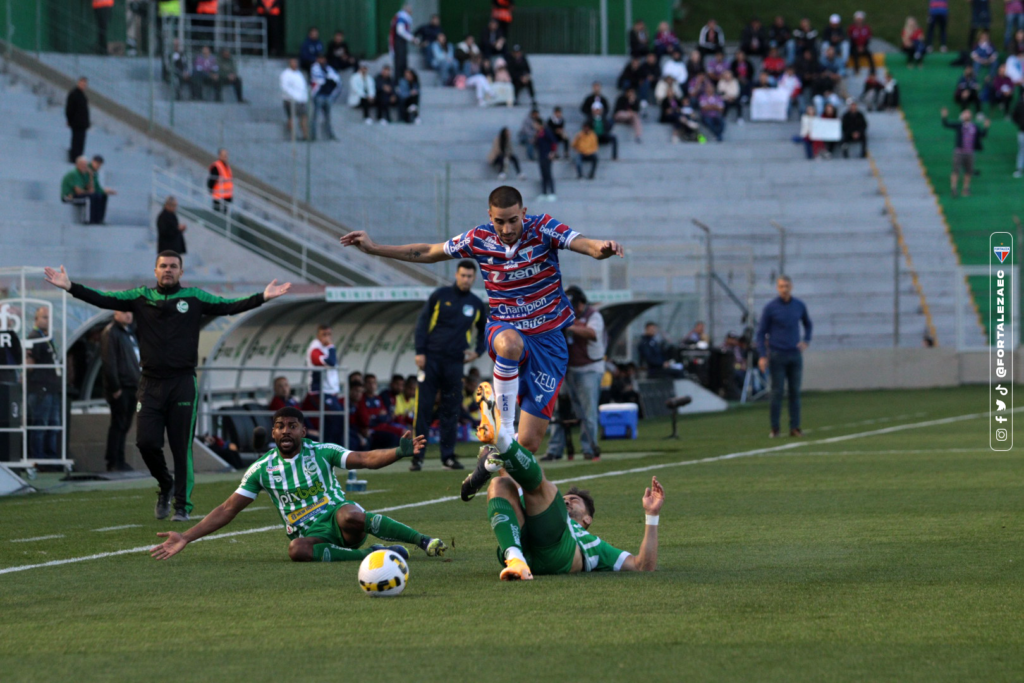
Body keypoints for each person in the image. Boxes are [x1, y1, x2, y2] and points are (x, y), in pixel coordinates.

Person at [340, 185, 624, 487]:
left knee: (526, 445)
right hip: (505, 328)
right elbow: (428, 251)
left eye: (513, 220)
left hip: (549, 342)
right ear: (490, 216)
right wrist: (374, 248)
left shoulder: (543, 229)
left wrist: (601, 249)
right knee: (510, 344)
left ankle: (490, 464)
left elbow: (586, 244)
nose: (506, 228)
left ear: (523, 213)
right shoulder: (479, 238)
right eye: (499, 221)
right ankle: (500, 428)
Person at [43, 254, 290, 521]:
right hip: (149, 384)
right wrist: (70, 286)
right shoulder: (141, 296)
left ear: (181, 271)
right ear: (155, 270)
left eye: (173, 266)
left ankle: (182, 506)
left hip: (182, 383)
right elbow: (105, 299)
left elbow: (228, 306)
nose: (168, 270)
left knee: (181, 446)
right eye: (163, 266)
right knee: (145, 442)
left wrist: (262, 297)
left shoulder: (194, 297)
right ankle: (165, 485)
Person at [150, 407, 448, 563]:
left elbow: (364, 458)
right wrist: (186, 537)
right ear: (274, 432)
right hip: (312, 535)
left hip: (339, 520)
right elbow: (228, 508)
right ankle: (373, 554)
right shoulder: (262, 469)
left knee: (351, 514)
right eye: (280, 426)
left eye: (292, 426)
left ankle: (423, 541)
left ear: (303, 430)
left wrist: (398, 453)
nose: (286, 431)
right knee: (296, 550)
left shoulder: (322, 452)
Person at [474, 447, 663, 579]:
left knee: (541, 484)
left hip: (556, 555)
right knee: (500, 484)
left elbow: (642, 566)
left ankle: (502, 443)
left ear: (587, 519)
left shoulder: (595, 544)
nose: (566, 500)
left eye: (574, 500)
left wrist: (652, 515)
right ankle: (514, 558)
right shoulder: (545, 508)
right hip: (522, 545)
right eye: (566, 498)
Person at [410, 260, 487, 471]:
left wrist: (478, 352)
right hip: (431, 359)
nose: (466, 279)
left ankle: (448, 457)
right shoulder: (440, 296)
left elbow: (484, 331)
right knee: (423, 409)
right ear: (456, 275)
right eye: (463, 275)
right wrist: (420, 352)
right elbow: (422, 323)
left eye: (470, 276)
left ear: (474, 278)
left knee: (451, 410)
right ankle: (417, 457)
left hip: (455, 363)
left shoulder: (476, 303)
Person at [545, 286, 605, 462]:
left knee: (588, 412)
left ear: (582, 304)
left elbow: (592, 333)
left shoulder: (593, 315)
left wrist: (569, 325)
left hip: (589, 369)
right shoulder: (562, 313)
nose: (574, 310)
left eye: (576, 306)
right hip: (566, 369)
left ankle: (590, 448)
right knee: (558, 411)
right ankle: (555, 450)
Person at [756, 276, 812, 438]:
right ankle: (775, 428)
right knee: (777, 392)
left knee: (795, 392)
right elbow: (761, 333)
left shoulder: (799, 305)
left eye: (786, 286)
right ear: (777, 288)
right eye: (781, 286)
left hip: (794, 354)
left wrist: (806, 340)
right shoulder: (771, 308)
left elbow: (808, 324)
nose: (784, 289)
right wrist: (762, 355)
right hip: (777, 354)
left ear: (791, 287)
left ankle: (795, 427)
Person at [101, 310, 140, 472]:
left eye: (130, 312)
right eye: (124, 312)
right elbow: (109, 361)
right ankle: (113, 461)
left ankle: (120, 460)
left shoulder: (129, 333)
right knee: (118, 424)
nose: (129, 315)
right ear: (116, 313)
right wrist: (115, 387)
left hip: (132, 386)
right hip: (121, 388)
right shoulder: (111, 332)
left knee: (125, 425)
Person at [26, 307, 62, 460]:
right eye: (44, 317)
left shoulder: (47, 337)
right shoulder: (34, 337)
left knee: (53, 425)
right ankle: (38, 459)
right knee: (40, 425)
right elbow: (29, 364)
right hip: (41, 388)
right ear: (36, 319)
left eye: (49, 317)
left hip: (52, 388)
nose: (48, 320)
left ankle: (51, 458)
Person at [303, 324, 343, 445]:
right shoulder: (314, 348)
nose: (327, 338)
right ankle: (331, 448)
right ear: (318, 336)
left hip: (330, 392)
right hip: (319, 391)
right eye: (324, 335)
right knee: (336, 417)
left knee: (333, 420)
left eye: (329, 334)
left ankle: (332, 449)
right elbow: (331, 362)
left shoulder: (326, 348)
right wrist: (331, 346)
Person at [941, 107, 989, 196]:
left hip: (970, 152)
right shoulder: (959, 125)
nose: (967, 114)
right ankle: (954, 188)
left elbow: (983, 135)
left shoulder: (975, 127)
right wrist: (944, 116)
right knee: (956, 170)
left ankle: (966, 189)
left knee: (968, 171)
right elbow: (946, 124)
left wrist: (986, 127)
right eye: (965, 113)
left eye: (968, 113)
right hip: (959, 151)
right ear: (962, 116)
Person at [60, 156, 105, 225]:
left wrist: (90, 175)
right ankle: (88, 220)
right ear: (78, 165)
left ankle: (98, 220)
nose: (85, 167)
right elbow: (78, 191)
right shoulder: (74, 174)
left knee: (98, 196)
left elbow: (91, 189)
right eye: (83, 165)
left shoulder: (83, 174)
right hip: (68, 197)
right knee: (89, 199)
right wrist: (88, 192)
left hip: (75, 195)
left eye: (86, 165)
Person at [310, 54, 341, 141]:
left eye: (323, 58)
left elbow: (335, 79)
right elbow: (320, 80)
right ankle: (313, 135)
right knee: (315, 116)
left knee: (328, 117)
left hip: (328, 95)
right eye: (320, 59)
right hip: (319, 95)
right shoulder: (315, 68)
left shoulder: (328, 69)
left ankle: (329, 135)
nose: (322, 60)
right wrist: (328, 79)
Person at [281, 59, 310, 141]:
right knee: (291, 118)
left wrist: (304, 97)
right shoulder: (286, 74)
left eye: (296, 63)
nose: (295, 64)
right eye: (293, 63)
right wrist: (294, 97)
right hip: (290, 100)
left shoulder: (299, 73)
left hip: (301, 100)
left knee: (304, 117)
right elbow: (285, 88)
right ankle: (292, 136)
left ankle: (305, 135)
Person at [65, 77, 90, 163]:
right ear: (78, 83)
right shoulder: (73, 94)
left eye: (85, 84)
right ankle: (74, 158)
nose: (83, 85)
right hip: (76, 123)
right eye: (82, 83)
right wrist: (70, 120)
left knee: (81, 143)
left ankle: (79, 159)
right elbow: (69, 109)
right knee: (76, 141)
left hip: (82, 124)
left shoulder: (83, 96)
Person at [533, 118, 558, 200]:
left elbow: (553, 142)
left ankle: (552, 192)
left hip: (547, 155)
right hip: (541, 155)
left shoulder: (546, 131)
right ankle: (544, 192)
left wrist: (552, 152)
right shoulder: (538, 133)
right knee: (543, 175)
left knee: (548, 174)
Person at [390, 4, 416, 77]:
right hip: (399, 42)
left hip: (401, 41)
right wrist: (411, 38)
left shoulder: (403, 18)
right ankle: (399, 79)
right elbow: (400, 31)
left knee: (402, 61)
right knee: (400, 62)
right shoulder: (402, 18)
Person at [88, 154, 115, 223]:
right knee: (96, 196)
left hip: (91, 190)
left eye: (100, 164)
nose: (98, 166)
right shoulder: (88, 170)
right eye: (97, 163)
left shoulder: (95, 172)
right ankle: (93, 219)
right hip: (84, 190)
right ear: (93, 161)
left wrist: (104, 190)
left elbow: (96, 186)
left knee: (103, 195)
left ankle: (99, 219)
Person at [207, 148, 233, 213]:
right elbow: (212, 179)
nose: (225, 157)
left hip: (227, 195)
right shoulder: (216, 166)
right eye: (223, 155)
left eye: (226, 155)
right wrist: (210, 189)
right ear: (219, 156)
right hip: (219, 195)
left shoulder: (226, 166)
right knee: (217, 213)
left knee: (225, 214)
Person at [1014, 95, 1024, 178]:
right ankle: (1019, 169)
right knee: (1021, 150)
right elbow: (1014, 116)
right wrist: (1021, 123)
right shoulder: (1020, 105)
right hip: (1022, 131)